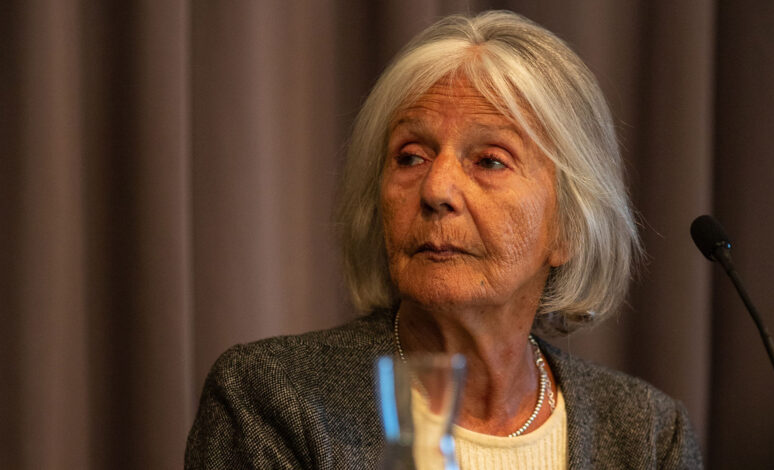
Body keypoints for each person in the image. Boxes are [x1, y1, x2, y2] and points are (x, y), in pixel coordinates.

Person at [185, 10, 702, 469]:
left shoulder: (649, 434)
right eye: (411, 156)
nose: (436, 190)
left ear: (568, 225)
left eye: (489, 161)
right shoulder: (273, 400)